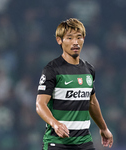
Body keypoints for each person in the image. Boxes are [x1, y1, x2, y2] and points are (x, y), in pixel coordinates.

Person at [36, 18, 113, 150]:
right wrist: (55, 124)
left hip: (84, 142)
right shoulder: (52, 69)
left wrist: (103, 128)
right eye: (70, 38)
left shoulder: (89, 69)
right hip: (58, 142)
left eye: (79, 37)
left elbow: (92, 101)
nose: (75, 42)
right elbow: (40, 104)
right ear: (59, 40)